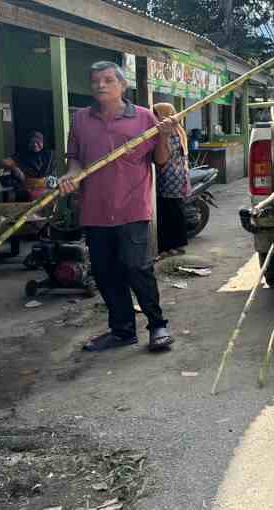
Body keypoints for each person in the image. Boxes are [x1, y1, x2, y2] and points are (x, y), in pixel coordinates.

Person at [59, 61, 179, 353]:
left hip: (132, 207)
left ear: (123, 86)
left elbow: (160, 161)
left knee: (137, 267)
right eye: (96, 80)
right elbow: (75, 159)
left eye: (108, 80)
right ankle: (122, 330)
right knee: (105, 272)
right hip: (95, 209)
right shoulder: (80, 121)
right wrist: (70, 176)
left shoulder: (143, 118)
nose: (101, 85)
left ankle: (157, 325)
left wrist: (163, 135)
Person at [152, 103, 191, 260]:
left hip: (169, 177)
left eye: (156, 114)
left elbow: (162, 158)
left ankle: (169, 247)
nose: (154, 117)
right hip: (178, 175)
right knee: (175, 211)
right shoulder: (178, 129)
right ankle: (177, 245)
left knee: (168, 213)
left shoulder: (169, 133)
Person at [2, 130, 56, 201]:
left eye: (38, 142)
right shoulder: (23, 155)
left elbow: (54, 177)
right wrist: (14, 167)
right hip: (28, 190)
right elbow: (4, 161)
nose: (35, 144)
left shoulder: (50, 155)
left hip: (47, 188)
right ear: (29, 143)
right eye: (32, 142)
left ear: (43, 142)